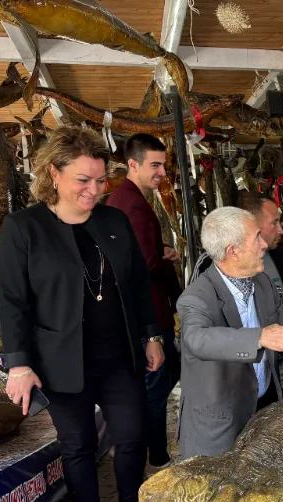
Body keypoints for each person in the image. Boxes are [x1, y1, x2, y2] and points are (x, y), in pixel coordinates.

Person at [0, 126, 164, 502]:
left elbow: (137, 284)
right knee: (78, 445)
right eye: (83, 180)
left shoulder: (114, 221)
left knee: (132, 435)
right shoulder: (23, 227)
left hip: (118, 355)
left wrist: (151, 334)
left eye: (99, 180)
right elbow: (11, 301)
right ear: (53, 173)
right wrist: (19, 365)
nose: (94, 190)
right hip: (60, 361)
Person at [177, 207, 283, 458]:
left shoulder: (262, 283)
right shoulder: (196, 297)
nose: (264, 244)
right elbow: (197, 339)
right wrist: (259, 337)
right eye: (257, 238)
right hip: (221, 422)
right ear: (233, 252)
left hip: (266, 407)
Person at [105, 133, 181, 470]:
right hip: (149, 311)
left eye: (163, 164)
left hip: (141, 311)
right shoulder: (132, 204)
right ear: (132, 164)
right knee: (156, 383)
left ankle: (150, 450)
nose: (162, 172)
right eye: (155, 165)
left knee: (158, 379)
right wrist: (167, 260)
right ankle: (157, 456)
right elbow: (144, 263)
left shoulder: (126, 199)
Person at [236, 192, 283, 321]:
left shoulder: (280, 259)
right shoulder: (213, 262)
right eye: (274, 223)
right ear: (252, 224)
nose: (281, 230)